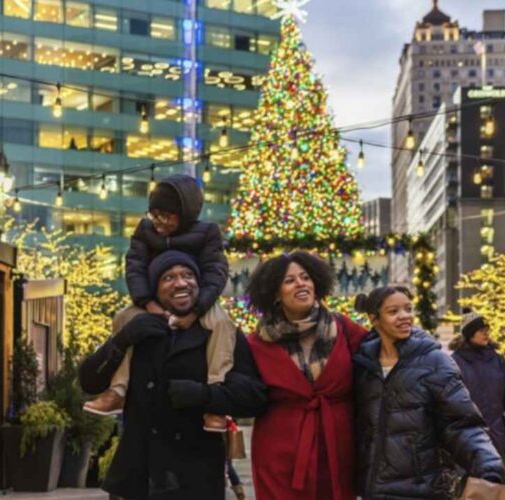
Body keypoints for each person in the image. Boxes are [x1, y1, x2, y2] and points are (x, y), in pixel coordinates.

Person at [79, 251, 267, 499]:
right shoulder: (137, 327)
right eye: (169, 277)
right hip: (138, 474)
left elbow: (253, 397)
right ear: (154, 290)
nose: (181, 283)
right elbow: (89, 381)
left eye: (188, 275)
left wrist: (203, 395)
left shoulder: (220, 331)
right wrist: (122, 339)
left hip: (195, 476)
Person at [83, 174, 235, 432]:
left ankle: (215, 395)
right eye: (155, 215)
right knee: (124, 318)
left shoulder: (207, 233)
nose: (160, 223)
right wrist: (148, 304)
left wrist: (197, 309)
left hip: (199, 301)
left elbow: (215, 273)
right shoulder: (144, 231)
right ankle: (118, 390)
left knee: (221, 323)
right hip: (152, 299)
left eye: (167, 216)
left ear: (184, 212)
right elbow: (134, 268)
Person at [352, 286, 504, 499]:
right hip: (370, 490)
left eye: (408, 309)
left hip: (421, 488)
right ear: (374, 319)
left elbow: (461, 423)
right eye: (393, 311)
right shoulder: (362, 366)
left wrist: (488, 464)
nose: (405, 316)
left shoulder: (434, 361)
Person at [245, 251, 368, 500]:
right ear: (275, 294)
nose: (301, 283)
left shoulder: (344, 329)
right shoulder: (255, 343)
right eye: (289, 280)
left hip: (338, 444)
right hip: (279, 448)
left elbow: (385, 356)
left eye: (305, 277)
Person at [450, 309, 505, 460]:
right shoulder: (454, 362)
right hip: (468, 438)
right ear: (469, 334)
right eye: (481, 330)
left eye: (487, 330)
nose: (486, 334)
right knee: (472, 482)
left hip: (496, 435)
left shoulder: (497, 361)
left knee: (496, 480)